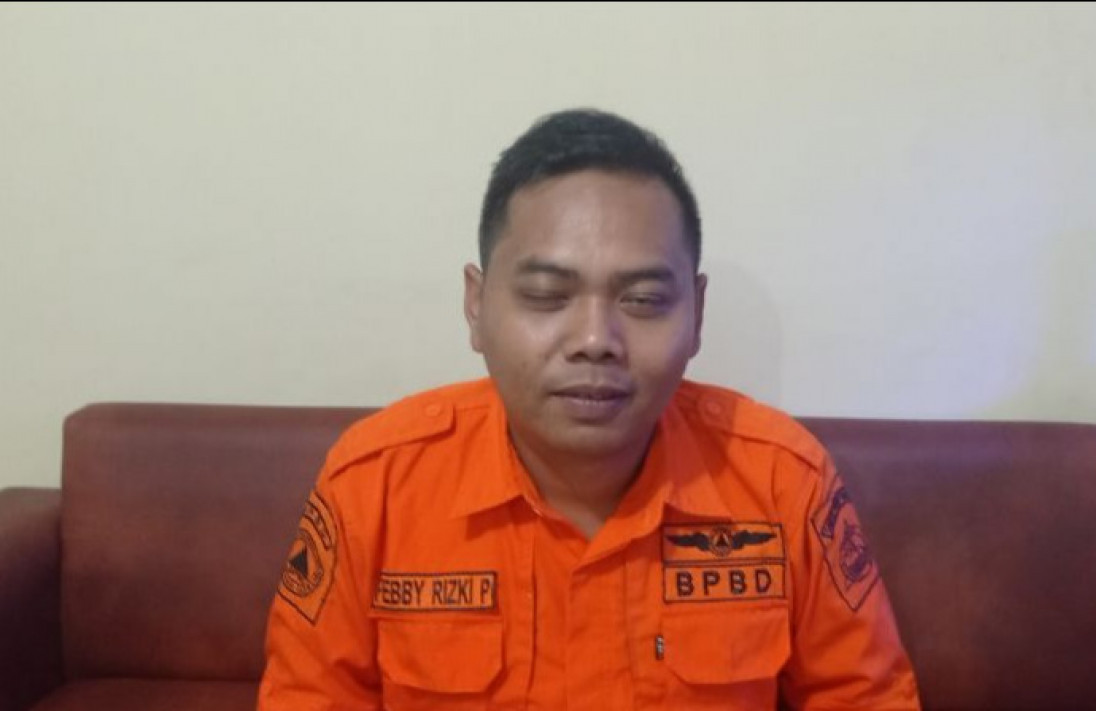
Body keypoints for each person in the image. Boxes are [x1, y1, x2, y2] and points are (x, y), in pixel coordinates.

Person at [258, 108, 921, 710]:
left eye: (642, 300)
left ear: (696, 314)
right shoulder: (375, 484)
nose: (595, 340)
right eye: (547, 295)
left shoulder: (782, 481)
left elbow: (864, 696)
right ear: (476, 306)